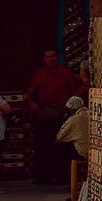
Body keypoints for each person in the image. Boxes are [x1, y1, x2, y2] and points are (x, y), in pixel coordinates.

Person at [25, 49, 79, 184]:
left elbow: (74, 93)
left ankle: (61, 177)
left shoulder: (66, 73)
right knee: (43, 146)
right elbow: (30, 94)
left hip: (61, 115)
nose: (51, 59)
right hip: (44, 115)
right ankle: (43, 176)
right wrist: (33, 104)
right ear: (44, 58)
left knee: (61, 146)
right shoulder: (39, 74)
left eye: (54, 56)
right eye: (48, 57)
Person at [56, 95, 89, 159]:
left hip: (83, 153)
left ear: (71, 109)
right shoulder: (92, 114)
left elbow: (59, 137)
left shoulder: (73, 119)